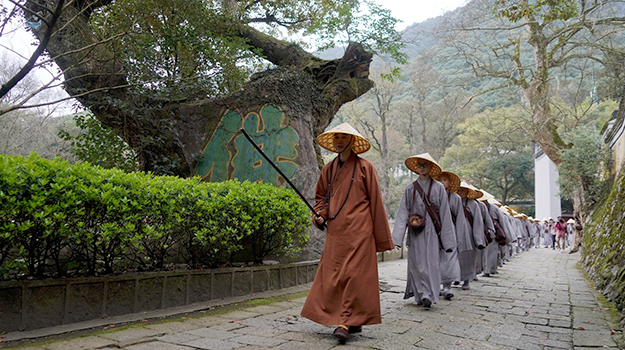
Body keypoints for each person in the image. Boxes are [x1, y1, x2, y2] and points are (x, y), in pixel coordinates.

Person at [300, 123, 394, 344]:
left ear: (352, 141)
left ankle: (344, 322)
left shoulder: (365, 167)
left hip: (361, 231)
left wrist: (380, 237)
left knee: (354, 276)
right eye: (337, 138)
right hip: (336, 233)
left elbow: (376, 203)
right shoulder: (329, 170)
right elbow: (321, 199)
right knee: (335, 277)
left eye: (344, 137)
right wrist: (319, 215)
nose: (339, 141)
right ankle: (354, 320)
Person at [392, 153, 457, 308]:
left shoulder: (438, 187)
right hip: (415, 231)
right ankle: (420, 294)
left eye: (425, 165)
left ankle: (428, 293)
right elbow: (403, 212)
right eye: (419, 165)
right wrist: (397, 238)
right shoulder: (410, 189)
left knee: (431, 262)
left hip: (432, 231)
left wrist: (448, 241)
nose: (421, 167)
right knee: (416, 263)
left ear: (431, 167)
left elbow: (445, 214)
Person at [434, 171, 470, 300]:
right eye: (440, 180)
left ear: (450, 184)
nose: (442, 182)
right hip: (434, 232)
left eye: (444, 180)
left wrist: (460, 238)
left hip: (450, 232)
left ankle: (447, 287)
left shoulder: (455, 198)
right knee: (436, 260)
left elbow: (460, 219)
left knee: (449, 259)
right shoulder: (433, 196)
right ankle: (435, 286)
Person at [456, 182, 486, 290]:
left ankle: (466, 280)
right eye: (458, 190)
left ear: (467, 192)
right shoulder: (453, 201)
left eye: (462, 191)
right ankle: (455, 277)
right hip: (455, 231)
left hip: (469, 233)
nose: (460, 193)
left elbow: (478, 221)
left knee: (468, 258)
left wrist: (478, 238)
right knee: (454, 257)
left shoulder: (473, 204)